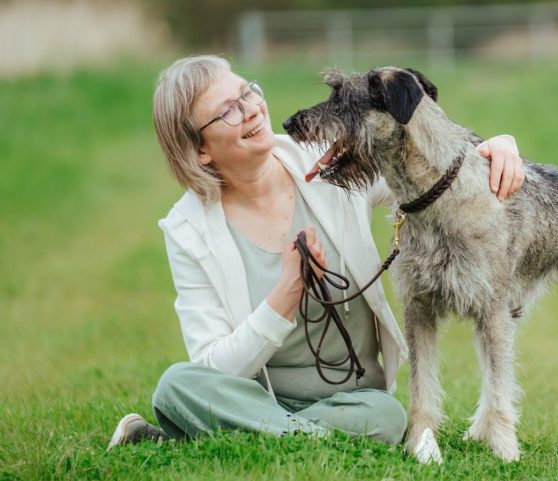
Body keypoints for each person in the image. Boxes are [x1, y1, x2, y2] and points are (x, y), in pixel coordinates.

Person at [107, 55, 525, 450]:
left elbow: (432, 178)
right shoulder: (187, 230)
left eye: (247, 92)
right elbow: (213, 368)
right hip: (254, 394)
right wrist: (285, 295)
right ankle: (279, 428)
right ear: (200, 149)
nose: (251, 109)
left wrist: (495, 146)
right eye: (228, 111)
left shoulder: (327, 163)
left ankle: (228, 432)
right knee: (177, 385)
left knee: (387, 416)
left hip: (352, 402)